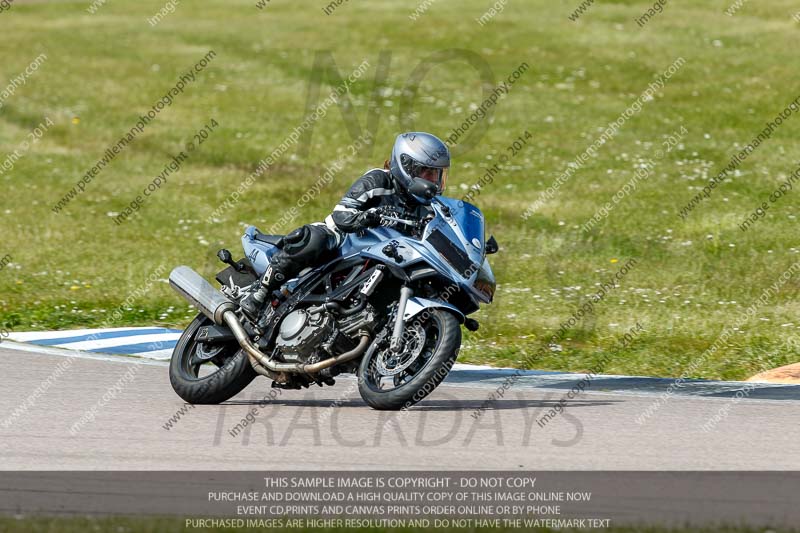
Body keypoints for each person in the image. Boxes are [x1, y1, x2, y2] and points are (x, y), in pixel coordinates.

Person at [239, 131, 451, 321]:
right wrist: (369, 217)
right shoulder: (378, 180)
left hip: (388, 256)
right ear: (407, 167)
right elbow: (342, 214)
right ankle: (260, 292)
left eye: (438, 174)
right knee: (316, 238)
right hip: (346, 241)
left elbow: (442, 231)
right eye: (428, 172)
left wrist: (477, 248)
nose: (434, 181)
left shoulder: (428, 207)